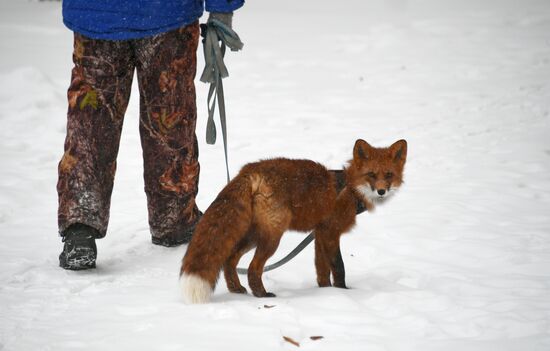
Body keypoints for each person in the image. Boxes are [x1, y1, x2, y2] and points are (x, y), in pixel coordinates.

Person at [57, 0, 244, 270]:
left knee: (91, 125)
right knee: (169, 119)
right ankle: (173, 218)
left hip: (96, 13)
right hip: (167, 13)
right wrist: (222, 7)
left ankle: (81, 226)